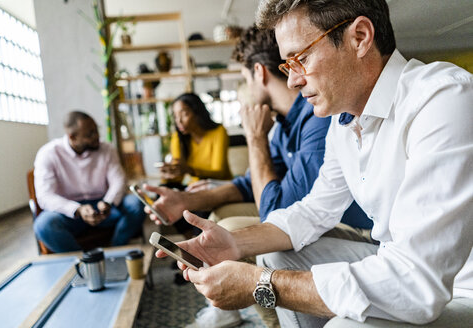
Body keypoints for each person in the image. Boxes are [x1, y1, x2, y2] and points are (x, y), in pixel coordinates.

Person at [156, 0, 473, 327]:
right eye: (286, 65)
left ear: (360, 37)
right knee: (276, 257)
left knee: (340, 324)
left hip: (461, 288)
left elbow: (416, 283)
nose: (292, 81)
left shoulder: (444, 98)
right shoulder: (343, 124)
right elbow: (314, 211)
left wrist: (261, 284)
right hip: (398, 261)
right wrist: (235, 242)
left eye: (301, 58)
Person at [147, 24, 370, 328]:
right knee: (237, 233)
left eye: (299, 61)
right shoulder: (285, 124)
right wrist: (185, 199)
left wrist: (254, 138)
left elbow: (275, 211)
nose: (295, 80)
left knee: (271, 253)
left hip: (357, 231)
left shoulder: (320, 120)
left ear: (258, 73)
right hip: (320, 219)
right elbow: (247, 186)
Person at [33, 111, 145, 253]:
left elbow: (118, 180)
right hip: (70, 212)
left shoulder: (107, 149)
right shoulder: (48, 153)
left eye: (96, 130)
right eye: (90, 134)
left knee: (136, 204)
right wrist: (77, 209)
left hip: (104, 208)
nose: (97, 137)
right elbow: (45, 196)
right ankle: (85, 261)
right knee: (43, 225)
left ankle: (115, 251)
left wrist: (108, 202)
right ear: (72, 137)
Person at [160, 92, 232, 187]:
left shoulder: (219, 132)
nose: (179, 121)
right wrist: (168, 174)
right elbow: (179, 178)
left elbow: (219, 173)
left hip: (219, 185)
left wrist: (190, 170)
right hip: (195, 187)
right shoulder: (178, 137)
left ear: (198, 113)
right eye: (176, 116)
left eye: (184, 114)